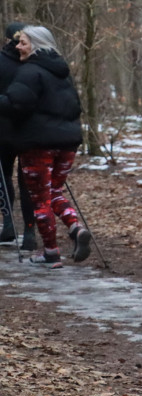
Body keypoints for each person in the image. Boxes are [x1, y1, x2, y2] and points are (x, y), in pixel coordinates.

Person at [0, 25, 91, 269]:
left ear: (37, 45)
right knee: (54, 192)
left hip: (39, 145)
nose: (17, 46)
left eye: (23, 42)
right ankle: (75, 227)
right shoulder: (62, 71)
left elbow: (16, 104)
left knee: (40, 199)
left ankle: (51, 252)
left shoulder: (30, 71)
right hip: (68, 142)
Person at [0, 22, 37, 250]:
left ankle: (8, 224)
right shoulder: (33, 61)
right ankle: (30, 231)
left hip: (4, 132)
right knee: (27, 183)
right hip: (29, 132)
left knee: (3, 179)